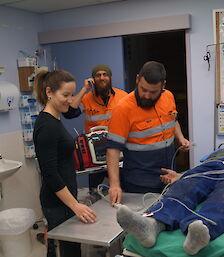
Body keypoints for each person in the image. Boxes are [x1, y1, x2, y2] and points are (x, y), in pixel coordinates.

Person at [116, 137, 224, 255]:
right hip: (210, 168)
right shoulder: (222, 151)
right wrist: (180, 176)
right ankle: (152, 225)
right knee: (185, 188)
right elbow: (198, 169)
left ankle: (200, 232)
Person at [106, 61, 190, 204]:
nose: (146, 95)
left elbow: (173, 119)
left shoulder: (168, 96)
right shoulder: (123, 109)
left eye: (153, 92)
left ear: (163, 86)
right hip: (140, 184)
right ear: (137, 79)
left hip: (170, 177)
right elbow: (113, 150)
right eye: (143, 89)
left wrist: (181, 138)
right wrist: (114, 185)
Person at [33, 70, 97, 257]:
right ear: (49, 92)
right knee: (66, 251)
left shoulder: (55, 119)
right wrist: (75, 206)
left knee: (69, 250)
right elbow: (50, 174)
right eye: (65, 95)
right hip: (56, 203)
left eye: (72, 94)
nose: (70, 100)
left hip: (65, 201)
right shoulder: (47, 126)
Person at [63, 64, 128, 194]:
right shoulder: (86, 98)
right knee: (95, 192)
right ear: (93, 79)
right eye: (98, 75)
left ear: (110, 77)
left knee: (121, 189)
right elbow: (69, 113)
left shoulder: (123, 97)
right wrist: (84, 89)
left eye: (105, 75)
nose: (101, 78)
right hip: (95, 155)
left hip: (118, 152)